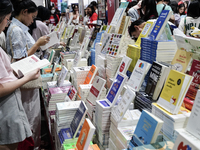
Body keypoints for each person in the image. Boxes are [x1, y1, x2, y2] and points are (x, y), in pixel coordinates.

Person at [6, 0, 50, 150]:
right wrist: (37, 44)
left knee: (32, 116)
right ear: (24, 12)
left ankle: (35, 143)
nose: (33, 21)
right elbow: (20, 60)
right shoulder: (16, 30)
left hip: (27, 79)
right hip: (26, 80)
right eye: (32, 16)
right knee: (31, 116)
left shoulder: (18, 28)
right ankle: (33, 145)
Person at [0, 1, 41, 150]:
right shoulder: (16, 30)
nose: (7, 23)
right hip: (7, 109)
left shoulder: (11, 29)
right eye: (6, 19)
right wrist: (27, 77)